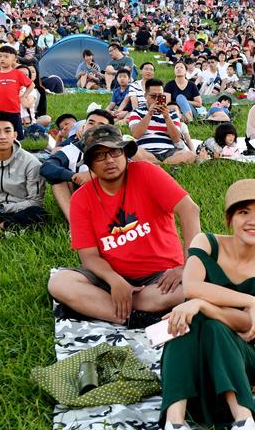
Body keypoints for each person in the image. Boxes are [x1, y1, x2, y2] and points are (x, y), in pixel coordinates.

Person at [156, 179, 255, 430]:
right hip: (193, 356)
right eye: (244, 212)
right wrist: (249, 301)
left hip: (242, 354)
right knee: (186, 318)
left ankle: (244, 424)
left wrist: (206, 304)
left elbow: (247, 324)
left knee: (210, 322)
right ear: (230, 218)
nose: (253, 221)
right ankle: (175, 427)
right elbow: (191, 286)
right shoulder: (205, 242)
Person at [47, 124, 201, 327]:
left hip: (162, 275)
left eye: (114, 152)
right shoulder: (80, 199)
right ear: (90, 164)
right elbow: (89, 256)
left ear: (124, 153)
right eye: (100, 155)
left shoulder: (147, 172)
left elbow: (189, 210)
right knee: (59, 283)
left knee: (194, 285)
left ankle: (111, 308)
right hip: (111, 276)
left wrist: (187, 266)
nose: (109, 160)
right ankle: (134, 316)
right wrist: (114, 280)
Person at [40, 110, 115, 221]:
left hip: (112, 198)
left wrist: (95, 175)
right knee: (57, 180)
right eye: (91, 123)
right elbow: (47, 167)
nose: (94, 128)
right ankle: (75, 224)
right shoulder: (72, 149)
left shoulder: (116, 149)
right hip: (81, 199)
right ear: (83, 127)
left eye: (101, 125)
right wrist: (75, 176)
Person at [128, 79, 196, 165]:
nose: (156, 100)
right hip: (145, 151)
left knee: (189, 155)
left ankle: (157, 165)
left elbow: (176, 139)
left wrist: (167, 117)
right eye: (153, 97)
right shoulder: (136, 112)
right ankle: (165, 165)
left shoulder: (172, 114)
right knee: (132, 152)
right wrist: (149, 114)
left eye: (160, 97)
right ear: (145, 96)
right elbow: (136, 134)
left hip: (169, 152)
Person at [0, 46, 34, 139]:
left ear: (14, 59)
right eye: (0, 56)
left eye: (6, 57)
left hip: (13, 109)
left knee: (18, 136)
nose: (2, 59)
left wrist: (23, 96)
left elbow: (31, 85)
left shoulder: (18, 74)